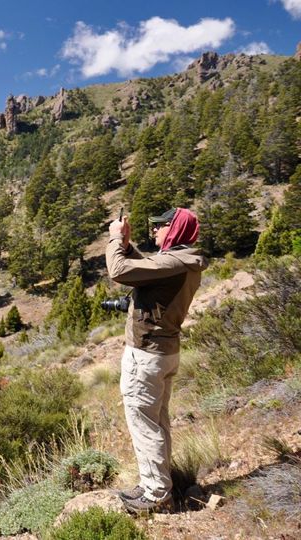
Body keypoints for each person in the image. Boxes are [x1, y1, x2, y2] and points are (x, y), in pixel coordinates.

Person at [105, 207, 208, 514]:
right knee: (157, 421)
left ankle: (155, 493)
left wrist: (114, 239)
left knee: (144, 422)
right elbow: (146, 267)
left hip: (146, 355)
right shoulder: (184, 261)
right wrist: (126, 244)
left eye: (161, 226)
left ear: (175, 229)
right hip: (164, 352)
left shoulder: (175, 261)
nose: (155, 231)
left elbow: (119, 271)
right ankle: (156, 481)